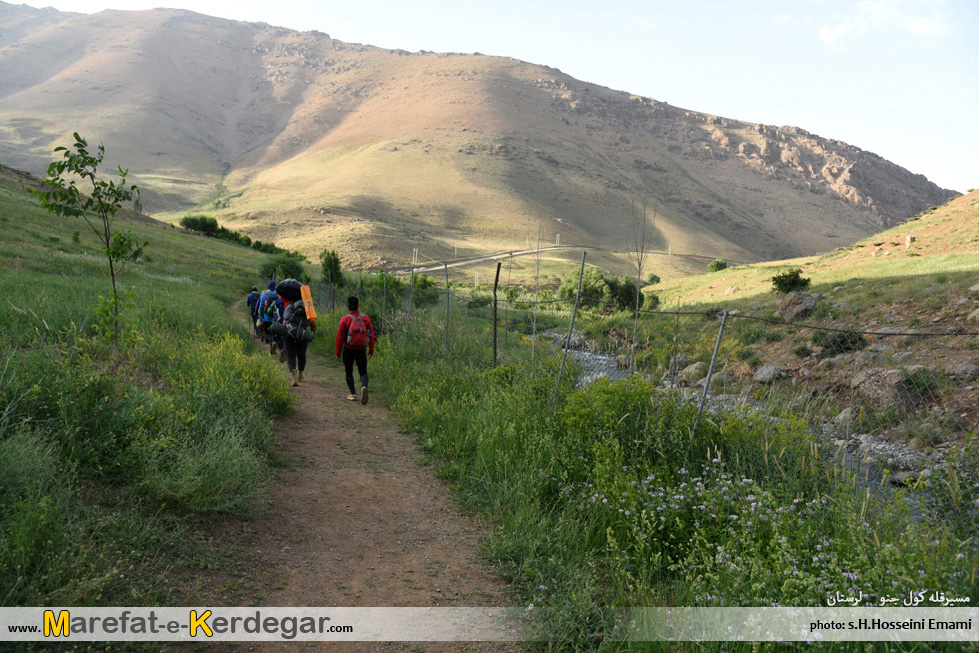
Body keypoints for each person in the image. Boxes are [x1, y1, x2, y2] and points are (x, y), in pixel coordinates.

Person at [335, 296, 374, 404]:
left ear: (348, 307)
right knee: (363, 371)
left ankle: (353, 394)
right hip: (361, 349)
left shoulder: (345, 319)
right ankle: (364, 386)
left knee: (349, 371)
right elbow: (370, 335)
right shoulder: (365, 318)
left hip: (348, 349)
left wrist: (338, 353)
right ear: (358, 306)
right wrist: (371, 349)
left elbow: (340, 337)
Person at [282, 296, 315, 387]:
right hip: (302, 334)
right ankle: (301, 374)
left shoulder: (291, 305)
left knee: (290, 355)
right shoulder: (308, 307)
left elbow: (285, 318)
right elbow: (313, 324)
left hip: (289, 333)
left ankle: (293, 377)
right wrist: (311, 334)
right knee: (302, 354)